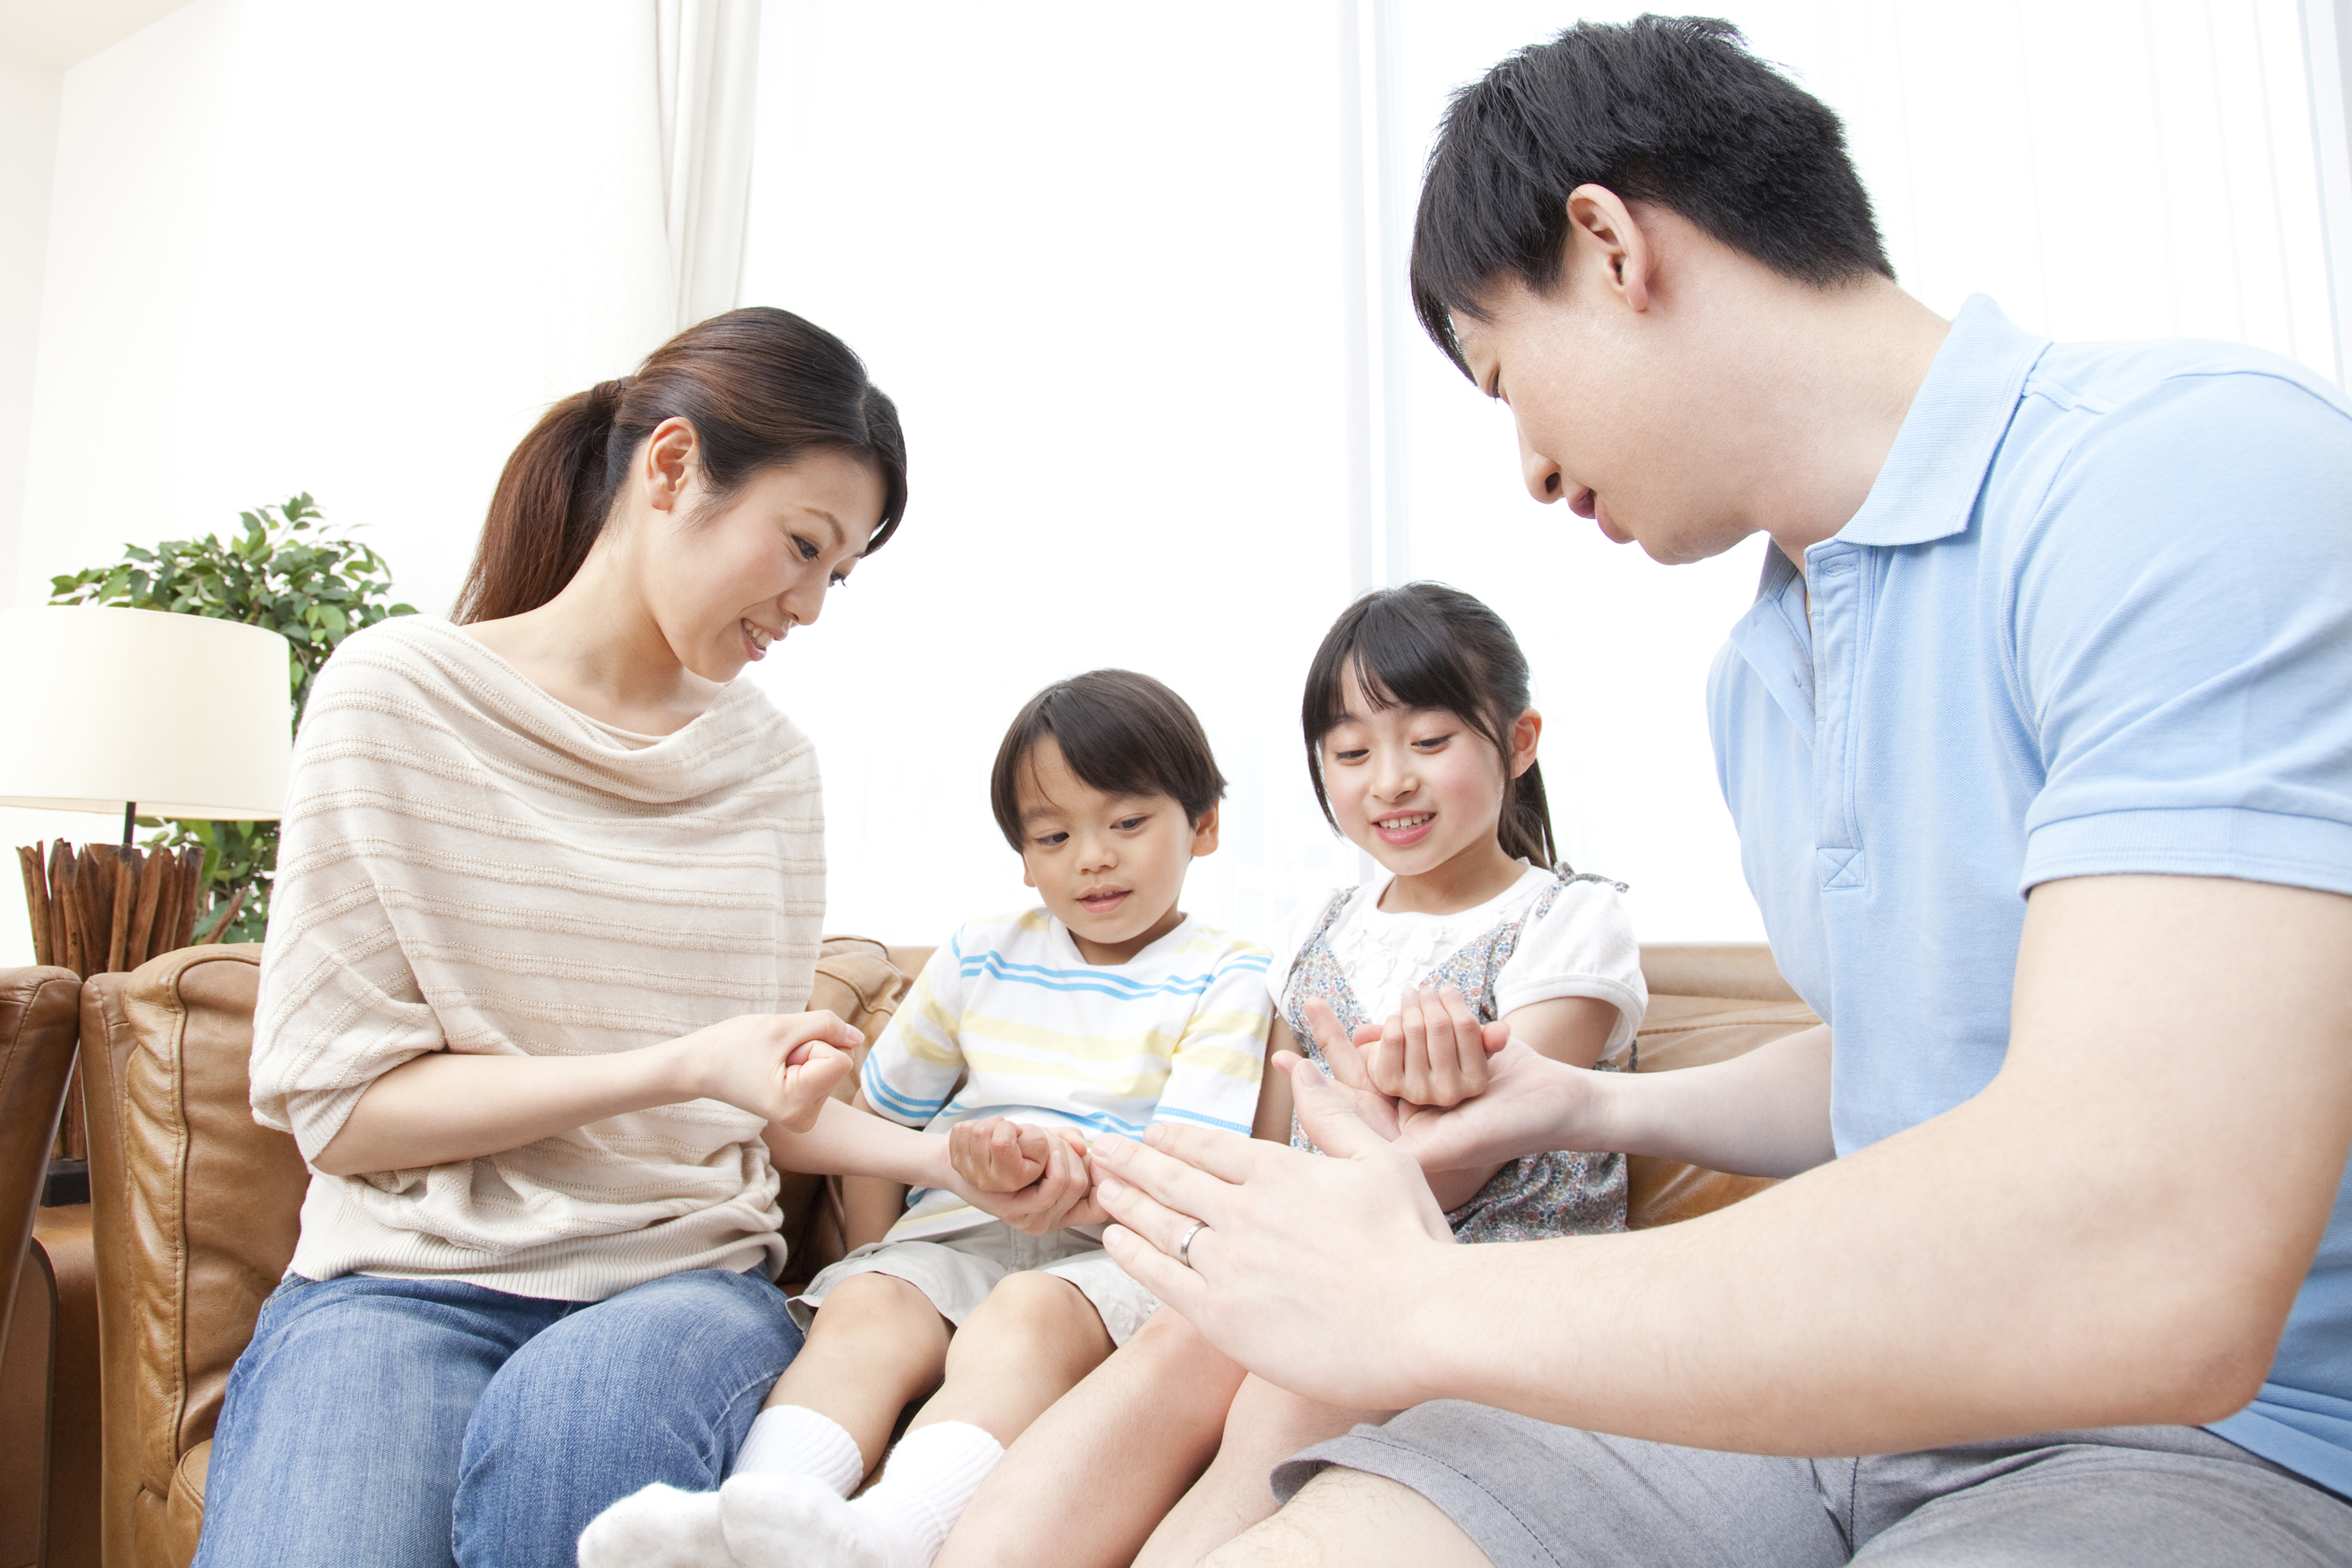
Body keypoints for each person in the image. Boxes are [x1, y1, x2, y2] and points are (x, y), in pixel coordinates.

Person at [1085, 16, 2352, 1567]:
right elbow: (1925, 1056)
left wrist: (1419, 1298)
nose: (1531, 475)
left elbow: (2150, 1253)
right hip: (1839, 1398)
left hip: (2207, 1438)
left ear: (1608, 243)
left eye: (1502, 382)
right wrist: (1592, 1101)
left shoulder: (2184, 474)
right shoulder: (1758, 674)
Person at [199, 308, 1075, 1568]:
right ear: (670, 467)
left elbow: (772, 1105)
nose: (813, 605)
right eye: (803, 546)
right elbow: (341, 1110)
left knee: (570, 1457)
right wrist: (675, 1066)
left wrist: (949, 1160)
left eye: (840, 575)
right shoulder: (393, 696)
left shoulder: (770, 767)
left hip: (678, 1284)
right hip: (398, 1280)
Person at [938, 584, 1646, 1567]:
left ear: (1518, 741)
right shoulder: (1322, 927)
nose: (1389, 780)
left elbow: (1463, 1167)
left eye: (1429, 741)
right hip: (1307, 1268)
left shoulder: (1569, 920)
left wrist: (1422, 1118)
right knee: (1172, 1348)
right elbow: (1262, 1150)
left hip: (1471, 1283)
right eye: (1352, 753)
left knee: (1278, 1385)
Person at [580, 668, 1276, 1568]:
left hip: (1108, 1260)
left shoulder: (1229, 975)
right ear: (1023, 857)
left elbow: (1187, 1170)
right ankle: (748, 1522)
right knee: (868, 1301)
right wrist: (880, 1248)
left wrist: (1051, 1172)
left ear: (1205, 825)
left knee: (1025, 1314)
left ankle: (888, 1536)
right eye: (1054, 834)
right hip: (952, 1235)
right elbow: (876, 1125)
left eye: (1127, 823)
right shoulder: (980, 954)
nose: (1092, 857)